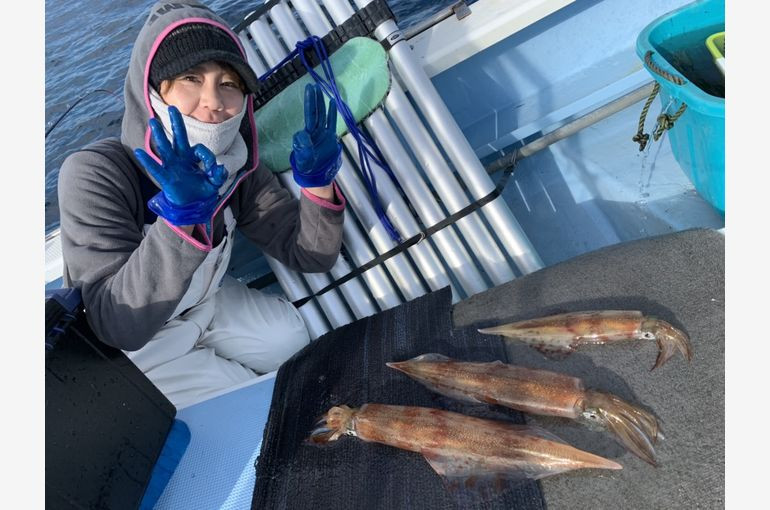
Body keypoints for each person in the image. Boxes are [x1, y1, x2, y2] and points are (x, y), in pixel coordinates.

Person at [57, 0, 346, 408]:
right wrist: (178, 221)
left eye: (229, 83)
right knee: (260, 405)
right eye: (191, 78)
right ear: (153, 90)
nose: (213, 101)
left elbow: (309, 254)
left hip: (205, 303)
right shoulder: (94, 173)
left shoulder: (237, 159)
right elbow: (114, 324)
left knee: (292, 340)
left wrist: (318, 186)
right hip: (140, 347)